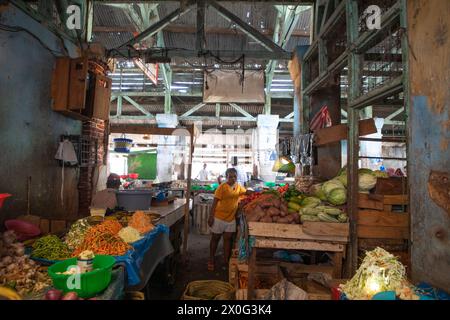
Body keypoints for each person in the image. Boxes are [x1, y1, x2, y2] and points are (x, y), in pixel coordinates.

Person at [207, 168, 253, 271]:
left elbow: (246, 192)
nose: (233, 178)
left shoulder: (238, 187)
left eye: (234, 176)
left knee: (227, 240)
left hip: (230, 219)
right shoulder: (222, 187)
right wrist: (211, 216)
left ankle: (225, 261)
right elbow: (214, 202)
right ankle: (211, 259)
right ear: (226, 177)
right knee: (215, 239)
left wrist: (259, 192)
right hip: (219, 217)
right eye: (230, 176)